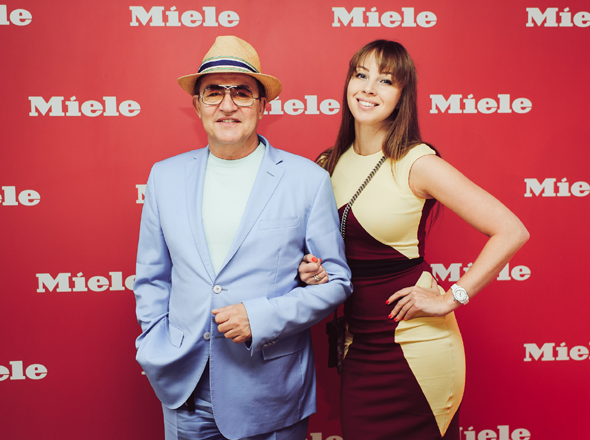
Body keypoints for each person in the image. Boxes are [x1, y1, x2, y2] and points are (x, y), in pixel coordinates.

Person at [299, 40, 529, 440]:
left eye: (386, 81)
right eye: (361, 75)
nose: (369, 88)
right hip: (358, 346)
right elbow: (328, 254)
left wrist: (451, 298)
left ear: (402, 95)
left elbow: (511, 230)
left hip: (418, 349)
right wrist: (313, 271)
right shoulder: (327, 163)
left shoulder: (417, 162)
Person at [133, 35, 352, 440]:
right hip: (184, 389)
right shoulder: (164, 177)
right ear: (197, 104)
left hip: (271, 392)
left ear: (262, 105)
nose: (227, 104)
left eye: (242, 93)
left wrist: (260, 316)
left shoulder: (307, 180)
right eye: (214, 92)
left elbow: (337, 282)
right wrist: (155, 347)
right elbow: (152, 278)